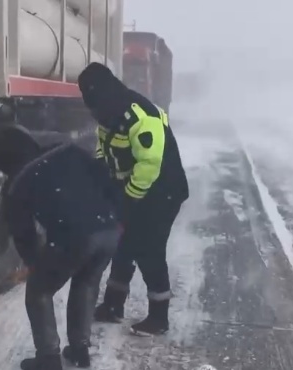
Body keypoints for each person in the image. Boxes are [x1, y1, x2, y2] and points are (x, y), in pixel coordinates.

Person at [0, 125, 121, 370]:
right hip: (108, 230)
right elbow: (105, 177)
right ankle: (80, 350)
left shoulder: (18, 185)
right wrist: (117, 216)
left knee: (38, 291)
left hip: (76, 236)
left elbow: (23, 233)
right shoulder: (70, 152)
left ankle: (48, 359)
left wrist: (35, 265)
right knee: (86, 282)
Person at [77, 62, 189, 336]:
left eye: (94, 104)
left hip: (163, 191)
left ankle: (159, 317)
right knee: (124, 244)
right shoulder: (107, 114)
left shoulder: (141, 115)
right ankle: (113, 306)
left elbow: (149, 165)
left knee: (149, 249)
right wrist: (104, 178)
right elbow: (103, 148)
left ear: (105, 93)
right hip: (135, 188)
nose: (93, 112)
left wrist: (127, 201)